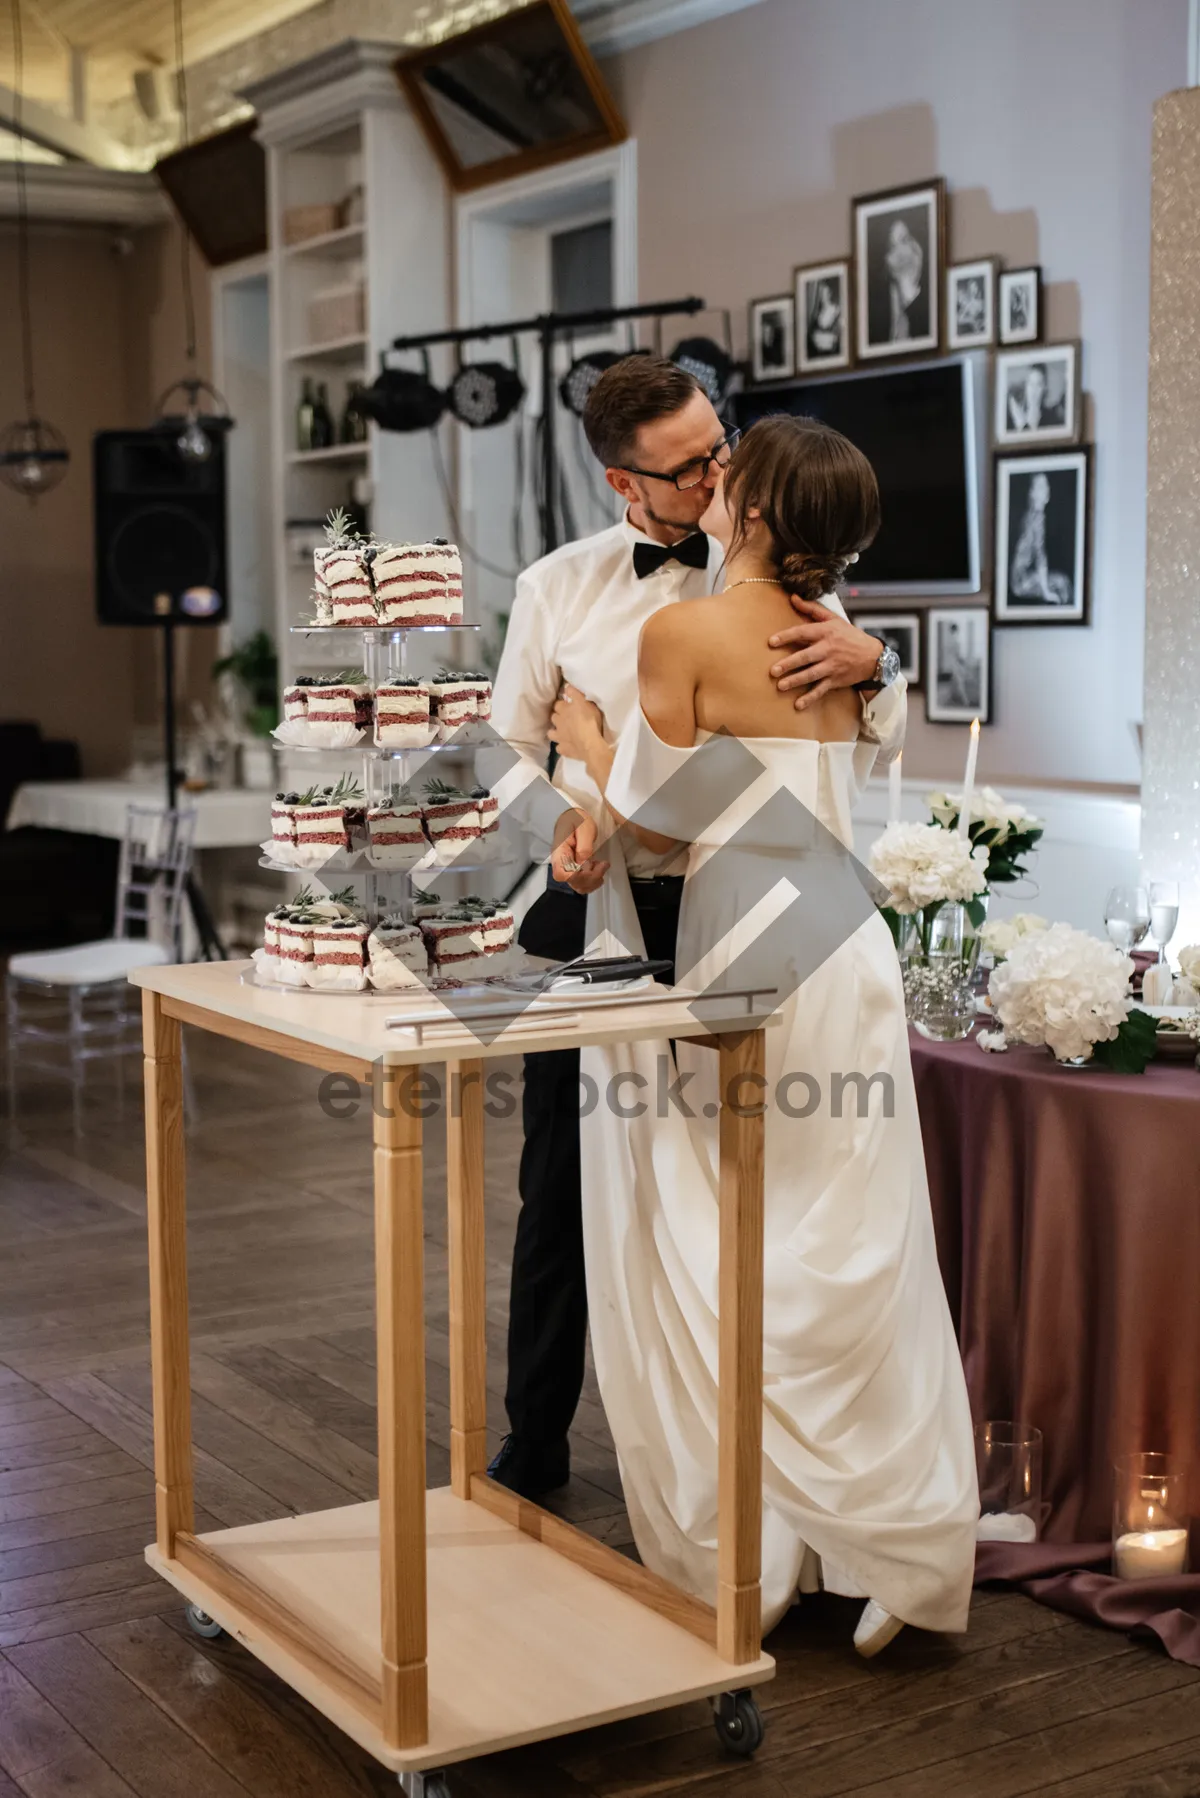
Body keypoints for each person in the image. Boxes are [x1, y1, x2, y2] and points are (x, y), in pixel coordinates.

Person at [549, 414, 978, 1657]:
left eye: (726, 474)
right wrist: (876, 655)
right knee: (858, 1243)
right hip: (848, 952)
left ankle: (766, 1547)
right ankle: (896, 1545)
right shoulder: (838, 644)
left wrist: (587, 752)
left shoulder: (681, 632)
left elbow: (666, 831)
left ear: (757, 509)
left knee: (734, 1231)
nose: (711, 483)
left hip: (750, 962)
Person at [487, 360, 898, 1500]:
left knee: (733, 1181)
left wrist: (885, 659)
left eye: (721, 445)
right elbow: (504, 745)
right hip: (603, 898)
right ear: (626, 483)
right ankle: (536, 1433)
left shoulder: (786, 564)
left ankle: (725, 1452)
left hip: (748, 909)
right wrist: (569, 818)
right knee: (566, 1179)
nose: (722, 470)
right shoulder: (558, 584)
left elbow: (853, 727)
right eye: (692, 464)